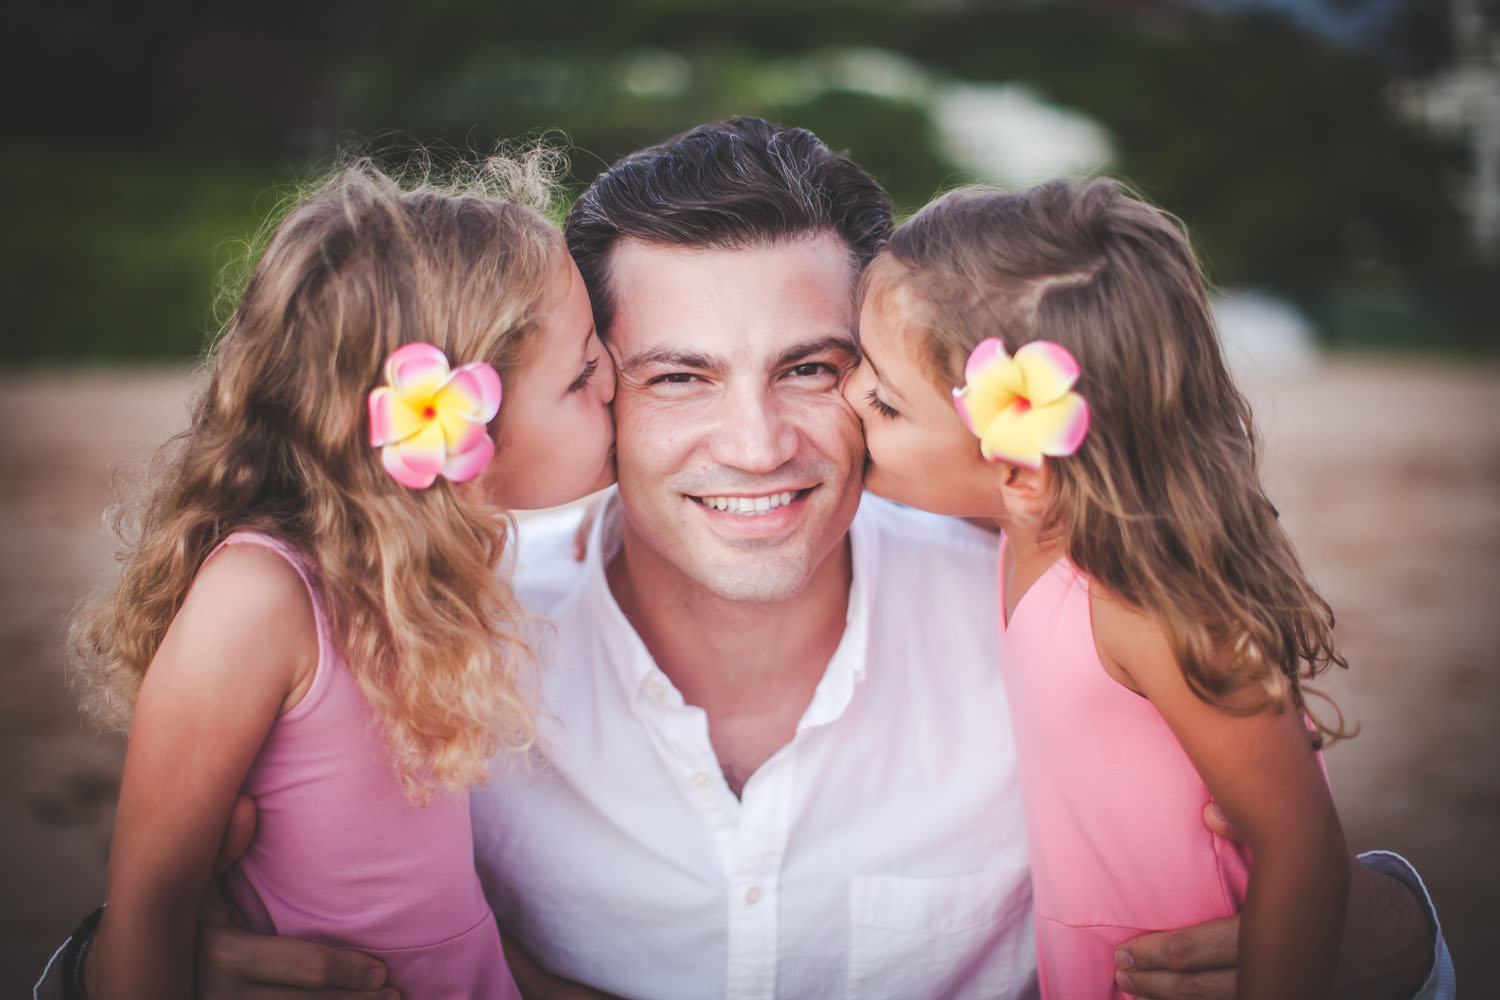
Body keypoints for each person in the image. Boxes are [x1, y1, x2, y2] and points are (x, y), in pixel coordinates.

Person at [41, 118, 1452, 1000]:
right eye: (673, 378)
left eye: (819, 368)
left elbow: (1299, 855)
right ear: (578, 385)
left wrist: (1390, 939)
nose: (759, 441)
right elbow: (193, 893)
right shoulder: (417, 650)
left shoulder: (1054, 618)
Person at [58, 156, 617, 999]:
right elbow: (150, 909)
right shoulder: (262, 601)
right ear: (455, 432)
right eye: (581, 373)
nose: (616, 375)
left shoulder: (437, 578)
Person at [841, 178, 1360, 998]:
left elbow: (1303, 849)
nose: (845, 400)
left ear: (1021, 465)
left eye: (884, 401)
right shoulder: (1019, 532)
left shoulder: (1144, 606)